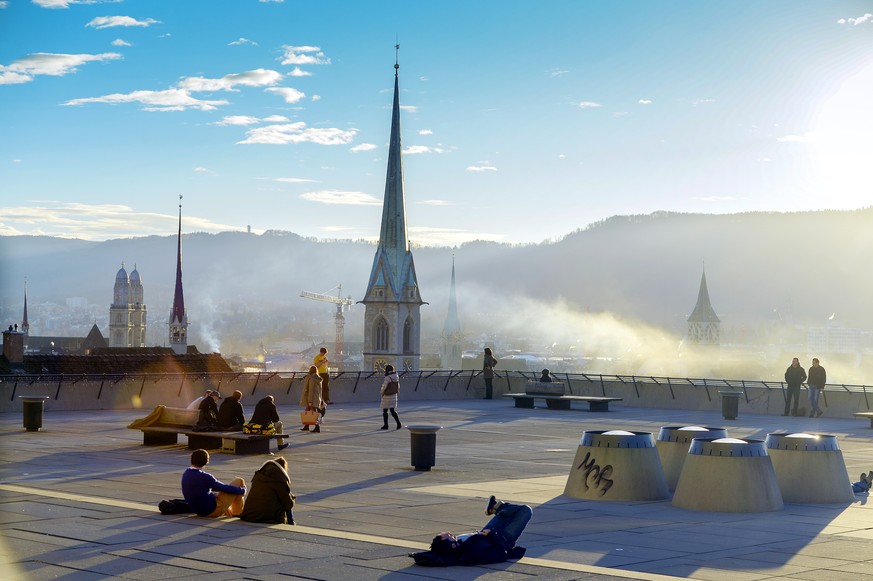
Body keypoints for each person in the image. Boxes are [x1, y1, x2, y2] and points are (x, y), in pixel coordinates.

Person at [411, 495, 531, 567]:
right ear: (451, 544)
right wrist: (491, 535)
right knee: (525, 511)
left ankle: (495, 507)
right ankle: (497, 507)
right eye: (448, 535)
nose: (449, 532)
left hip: (487, 533)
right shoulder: (470, 554)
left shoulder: (459, 544)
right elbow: (501, 555)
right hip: (503, 539)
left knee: (507, 513)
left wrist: (483, 534)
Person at [180, 448, 246, 518]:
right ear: (206, 461)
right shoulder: (205, 476)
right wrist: (242, 490)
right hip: (211, 510)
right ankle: (237, 513)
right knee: (239, 481)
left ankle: (233, 512)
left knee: (222, 497)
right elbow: (222, 487)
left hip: (197, 510)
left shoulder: (186, 473)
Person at [239, 456, 297, 525]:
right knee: (287, 499)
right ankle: (291, 523)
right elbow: (289, 504)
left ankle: (291, 522)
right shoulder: (280, 479)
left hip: (249, 515)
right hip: (267, 517)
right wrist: (292, 498)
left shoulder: (258, 476)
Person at [300, 366, 325, 433]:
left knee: (313, 413)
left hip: (312, 398)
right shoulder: (317, 378)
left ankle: (317, 427)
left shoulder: (312, 378)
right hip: (316, 397)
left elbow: (311, 390)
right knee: (309, 411)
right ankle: (307, 426)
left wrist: (310, 401)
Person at [380, 364, 402, 430]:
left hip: (387, 396)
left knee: (385, 410)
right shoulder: (396, 376)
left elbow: (384, 386)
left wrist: (382, 392)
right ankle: (398, 423)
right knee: (392, 410)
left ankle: (386, 425)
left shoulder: (387, 377)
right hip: (394, 395)